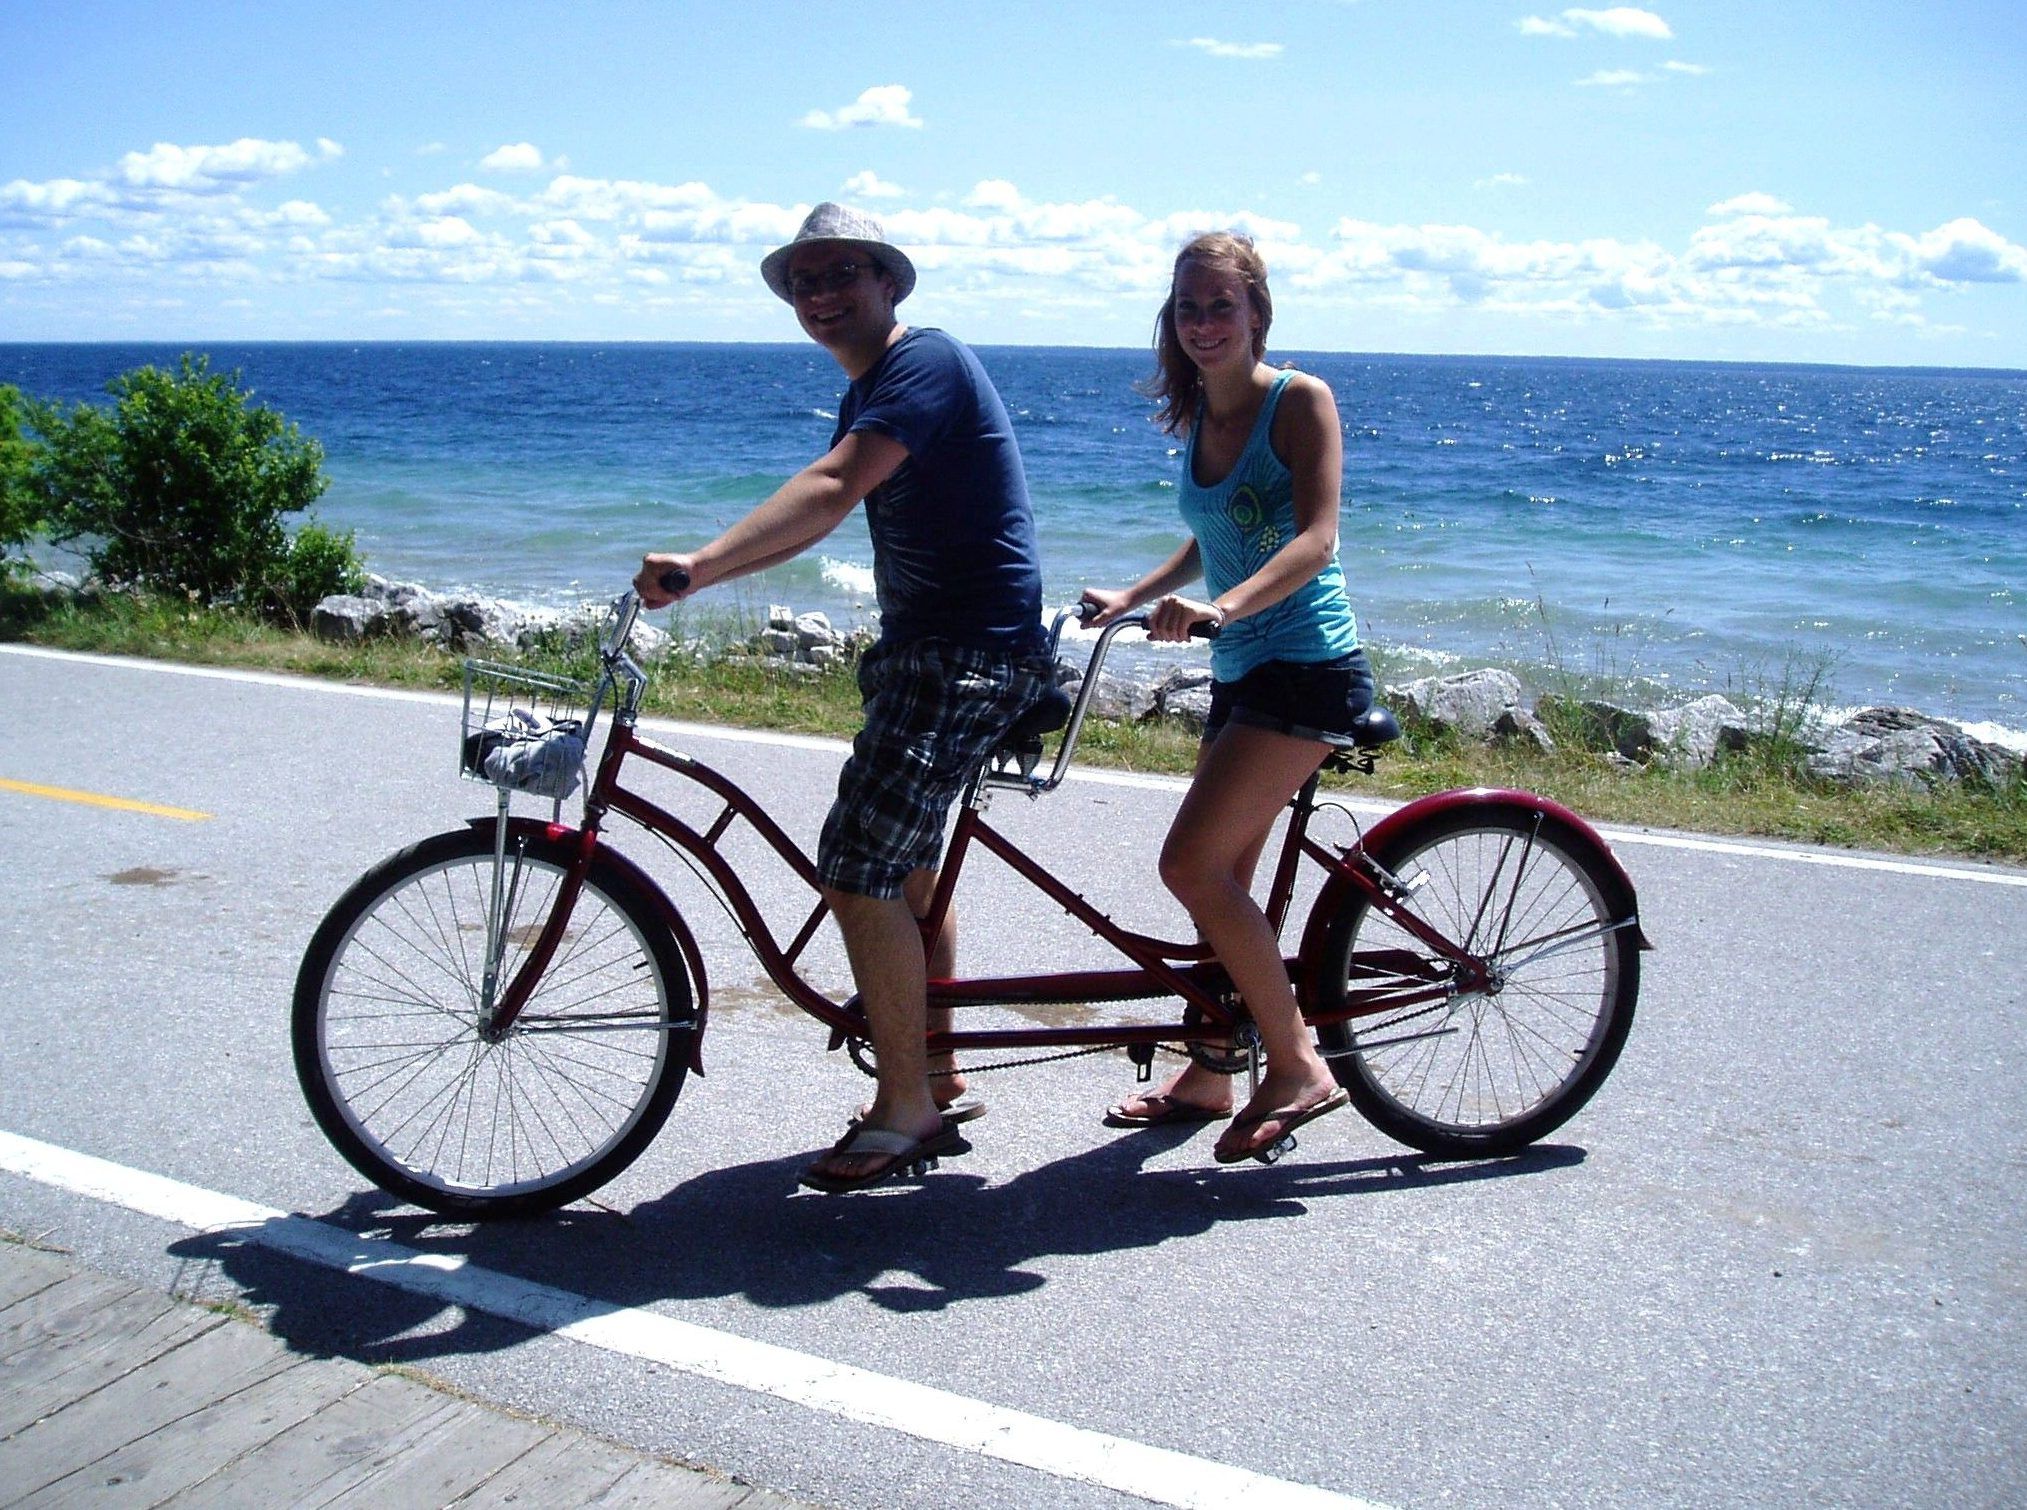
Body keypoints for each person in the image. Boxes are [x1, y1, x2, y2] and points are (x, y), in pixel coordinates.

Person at [635, 203, 1051, 1192]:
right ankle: (936, 1075)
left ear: (887, 283)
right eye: (803, 284)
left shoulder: (922, 364)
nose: (820, 296)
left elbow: (829, 490)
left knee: (859, 868)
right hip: (934, 652)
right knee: (906, 873)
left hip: (967, 657)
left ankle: (903, 1105)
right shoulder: (879, 382)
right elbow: (831, 499)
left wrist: (697, 567)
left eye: (841, 275)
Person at [1081, 231, 1372, 1164]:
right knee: (1224, 882)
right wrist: (1135, 595)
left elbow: (1314, 539)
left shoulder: (1300, 401)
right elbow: (1219, 530)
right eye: (1187, 307)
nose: (1203, 323)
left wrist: (1223, 609)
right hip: (1241, 669)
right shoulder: (1201, 411)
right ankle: (1212, 1071)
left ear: (1257, 313)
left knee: (1192, 867)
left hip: (1307, 666)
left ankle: (1296, 1064)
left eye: (1220, 305)